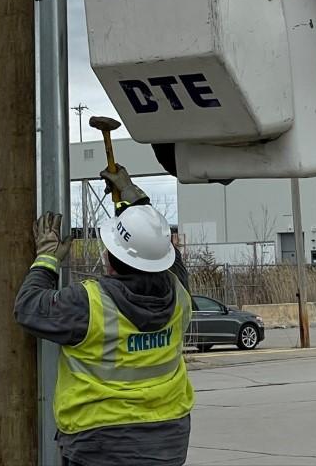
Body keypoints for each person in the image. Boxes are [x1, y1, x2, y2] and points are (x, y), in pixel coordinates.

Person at [14, 165, 194, 466]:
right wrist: (134, 198)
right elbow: (161, 253)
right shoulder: (180, 295)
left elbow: (28, 306)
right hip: (168, 438)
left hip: (101, 441)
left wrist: (46, 258)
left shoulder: (89, 302)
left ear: (110, 257)